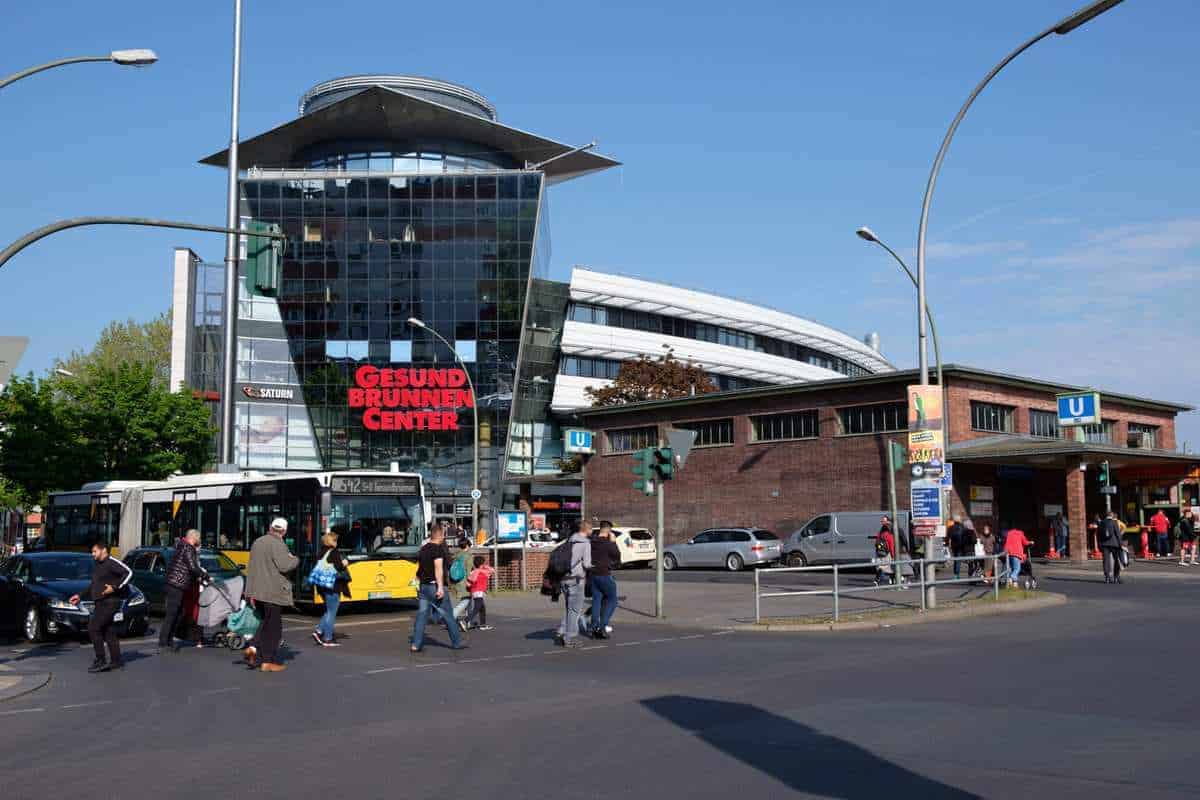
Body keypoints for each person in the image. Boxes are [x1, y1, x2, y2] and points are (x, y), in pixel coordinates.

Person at [244, 518, 299, 672]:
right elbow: (285, 566)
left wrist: (249, 592)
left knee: (265, 623)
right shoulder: (278, 544)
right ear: (284, 531)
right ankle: (267, 661)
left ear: (270, 527)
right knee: (274, 629)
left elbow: (253, 567)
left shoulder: (258, 542)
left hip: (257, 591)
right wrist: (295, 560)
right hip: (272, 592)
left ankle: (253, 648)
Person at [69, 541, 133, 673]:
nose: (93, 554)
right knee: (108, 631)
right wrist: (80, 595)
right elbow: (94, 584)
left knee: (93, 628)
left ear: (103, 550)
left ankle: (101, 660)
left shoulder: (111, 562)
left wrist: (114, 587)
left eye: (95, 551)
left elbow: (128, 572)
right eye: (92, 552)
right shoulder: (98, 565)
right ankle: (116, 660)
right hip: (100, 602)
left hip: (110, 602)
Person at [410, 523, 464, 653]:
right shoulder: (437, 549)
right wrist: (440, 587)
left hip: (423, 587)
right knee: (448, 615)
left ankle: (415, 644)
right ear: (439, 535)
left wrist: (417, 582)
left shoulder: (423, 549)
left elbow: (420, 569)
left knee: (422, 616)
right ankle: (457, 642)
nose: (444, 537)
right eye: (443, 534)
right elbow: (438, 569)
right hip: (434, 586)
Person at [158, 528, 210, 655]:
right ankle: (163, 642)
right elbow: (192, 567)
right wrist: (204, 575)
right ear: (194, 538)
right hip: (176, 585)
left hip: (176, 584)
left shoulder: (183, 546)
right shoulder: (188, 548)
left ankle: (169, 640)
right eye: (198, 538)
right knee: (172, 614)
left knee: (178, 613)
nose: (199, 540)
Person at [554, 519, 593, 649]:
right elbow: (587, 564)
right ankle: (569, 638)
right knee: (575, 610)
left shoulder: (569, 540)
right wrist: (593, 566)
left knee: (569, 608)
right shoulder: (585, 543)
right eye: (591, 529)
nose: (592, 531)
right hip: (576, 579)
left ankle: (562, 630)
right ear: (586, 530)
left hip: (563, 578)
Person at [312, 532, 351, 647]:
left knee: (329, 610)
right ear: (329, 541)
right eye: (334, 540)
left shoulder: (321, 552)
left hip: (322, 585)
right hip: (333, 586)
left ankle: (319, 631)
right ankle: (327, 639)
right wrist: (344, 563)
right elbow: (338, 567)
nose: (336, 542)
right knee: (332, 612)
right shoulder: (333, 552)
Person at [588, 521, 621, 639]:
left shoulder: (592, 541)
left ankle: (593, 627)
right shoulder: (608, 543)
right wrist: (613, 542)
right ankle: (602, 627)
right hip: (604, 575)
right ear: (608, 530)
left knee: (597, 600)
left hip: (593, 575)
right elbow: (617, 556)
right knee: (613, 600)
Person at [448, 538, 474, 630]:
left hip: (455, 580)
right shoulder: (468, 556)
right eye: (469, 545)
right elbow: (468, 570)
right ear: (467, 546)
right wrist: (470, 581)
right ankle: (452, 616)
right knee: (466, 600)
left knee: (467, 600)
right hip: (464, 581)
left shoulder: (455, 555)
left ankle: (468, 622)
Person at [465, 556, 496, 631]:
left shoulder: (473, 572)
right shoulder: (483, 572)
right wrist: (485, 566)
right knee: (477, 607)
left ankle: (483, 625)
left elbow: (468, 583)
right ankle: (466, 620)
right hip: (479, 591)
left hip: (474, 591)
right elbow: (492, 570)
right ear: (482, 564)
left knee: (482, 608)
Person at [1099, 510, 1126, 584]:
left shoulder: (1101, 522)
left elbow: (1099, 535)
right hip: (1114, 544)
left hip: (1104, 544)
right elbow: (1118, 534)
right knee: (1117, 560)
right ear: (1112, 515)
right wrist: (1121, 544)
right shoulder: (1114, 522)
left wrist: (1100, 544)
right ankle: (1116, 577)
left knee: (1106, 561)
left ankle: (1107, 578)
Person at [874, 516, 897, 586]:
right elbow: (891, 546)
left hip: (879, 553)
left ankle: (877, 580)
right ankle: (891, 581)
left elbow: (876, 543)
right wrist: (893, 555)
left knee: (881, 567)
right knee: (890, 568)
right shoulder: (889, 535)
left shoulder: (879, 534)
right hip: (887, 553)